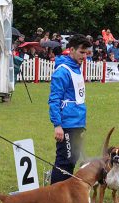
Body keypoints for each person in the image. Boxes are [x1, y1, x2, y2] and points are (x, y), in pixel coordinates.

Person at [48, 34, 91, 184]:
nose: (84, 56)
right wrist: (57, 125)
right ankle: (54, 196)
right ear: (71, 50)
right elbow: (54, 100)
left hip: (78, 122)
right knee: (64, 162)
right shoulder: (62, 71)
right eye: (81, 52)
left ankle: (65, 196)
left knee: (72, 159)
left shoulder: (77, 69)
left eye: (86, 53)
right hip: (66, 124)